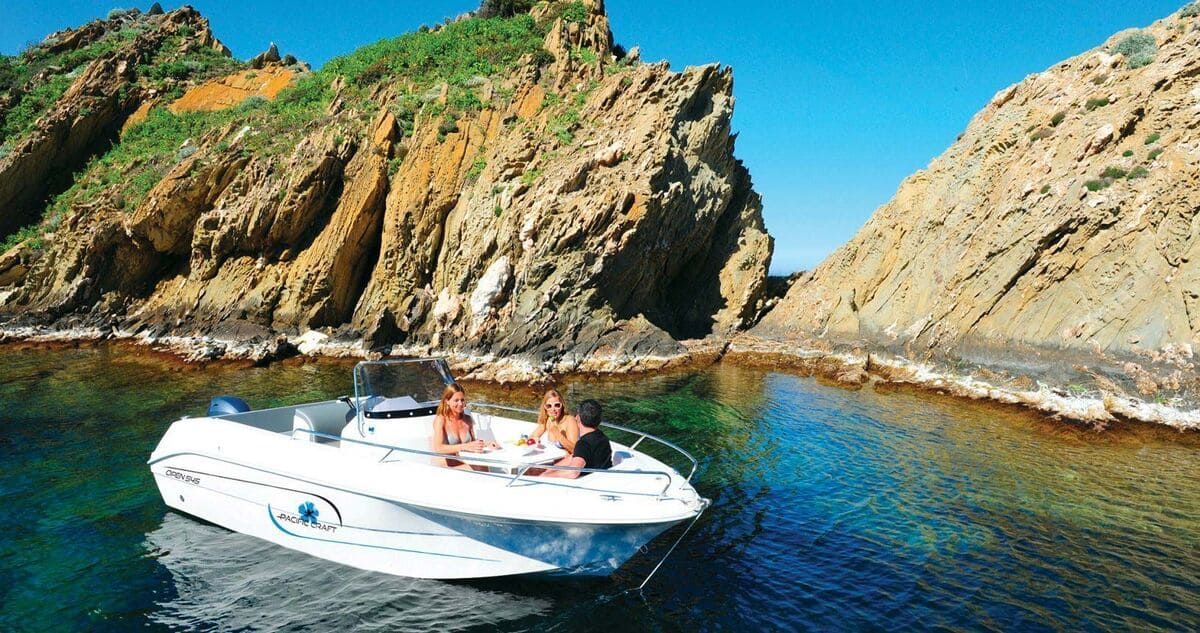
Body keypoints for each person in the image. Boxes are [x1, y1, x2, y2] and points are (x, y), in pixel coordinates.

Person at [431, 383, 498, 470]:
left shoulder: (468, 420)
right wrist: (465, 446)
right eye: (456, 400)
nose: (460, 404)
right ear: (447, 401)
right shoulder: (441, 420)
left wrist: (487, 444)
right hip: (445, 467)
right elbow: (438, 448)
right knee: (478, 468)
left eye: (462, 400)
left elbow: (473, 444)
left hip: (464, 462)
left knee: (483, 466)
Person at [541, 399, 611, 479]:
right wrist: (550, 469)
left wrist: (545, 475)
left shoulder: (583, 443)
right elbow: (575, 456)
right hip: (601, 478)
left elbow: (573, 472)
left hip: (586, 484)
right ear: (599, 420)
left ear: (577, 418)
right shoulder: (603, 438)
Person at [529, 389, 579, 454]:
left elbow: (574, 450)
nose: (553, 409)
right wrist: (535, 439)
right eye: (549, 406)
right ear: (545, 408)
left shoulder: (569, 420)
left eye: (557, 405)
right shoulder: (548, 419)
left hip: (564, 461)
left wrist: (558, 434)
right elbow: (532, 437)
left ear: (562, 406)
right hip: (550, 458)